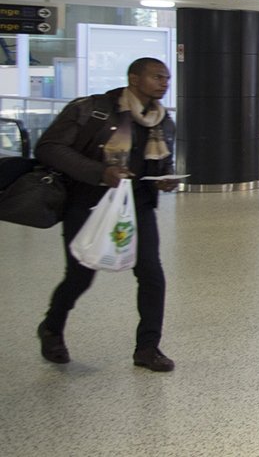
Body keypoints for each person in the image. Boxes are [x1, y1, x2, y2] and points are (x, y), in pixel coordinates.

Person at [34, 57, 181, 371]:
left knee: (152, 275)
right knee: (80, 274)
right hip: (88, 204)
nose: (164, 83)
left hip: (137, 207)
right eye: (157, 77)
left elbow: (160, 162)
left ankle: (147, 348)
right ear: (134, 78)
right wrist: (101, 173)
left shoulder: (162, 120)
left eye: (167, 78)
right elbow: (48, 148)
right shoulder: (92, 110)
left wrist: (165, 178)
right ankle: (51, 328)